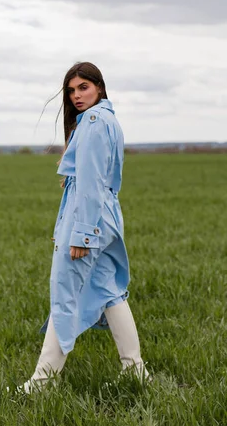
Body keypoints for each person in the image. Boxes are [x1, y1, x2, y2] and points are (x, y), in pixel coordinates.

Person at [17, 62, 151, 394]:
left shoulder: (92, 122)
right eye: (72, 91)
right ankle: (135, 371)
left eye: (83, 88)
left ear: (99, 88)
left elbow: (90, 184)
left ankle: (42, 383)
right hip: (104, 216)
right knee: (108, 291)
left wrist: (81, 234)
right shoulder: (109, 119)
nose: (77, 96)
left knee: (64, 295)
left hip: (89, 219)